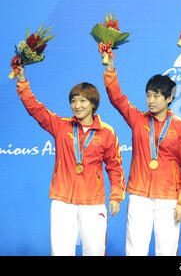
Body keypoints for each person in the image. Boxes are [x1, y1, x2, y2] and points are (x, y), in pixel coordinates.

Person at [15, 66, 125, 256]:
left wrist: (116, 196)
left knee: (95, 251)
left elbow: (115, 167)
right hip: (62, 200)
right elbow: (35, 109)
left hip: (93, 202)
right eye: (73, 101)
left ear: (93, 104)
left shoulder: (107, 132)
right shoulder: (60, 126)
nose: (77, 106)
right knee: (60, 251)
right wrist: (23, 83)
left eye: (82, 101)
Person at [103, 55, 181, 256]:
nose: (151, 101)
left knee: (167, 250)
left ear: (169, 98)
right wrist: (110, 68)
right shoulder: (138, 120)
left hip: (168, 198)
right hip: (139, 196)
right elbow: (117, 99)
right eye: (148, 95)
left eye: (156, 96)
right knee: (135, 249)